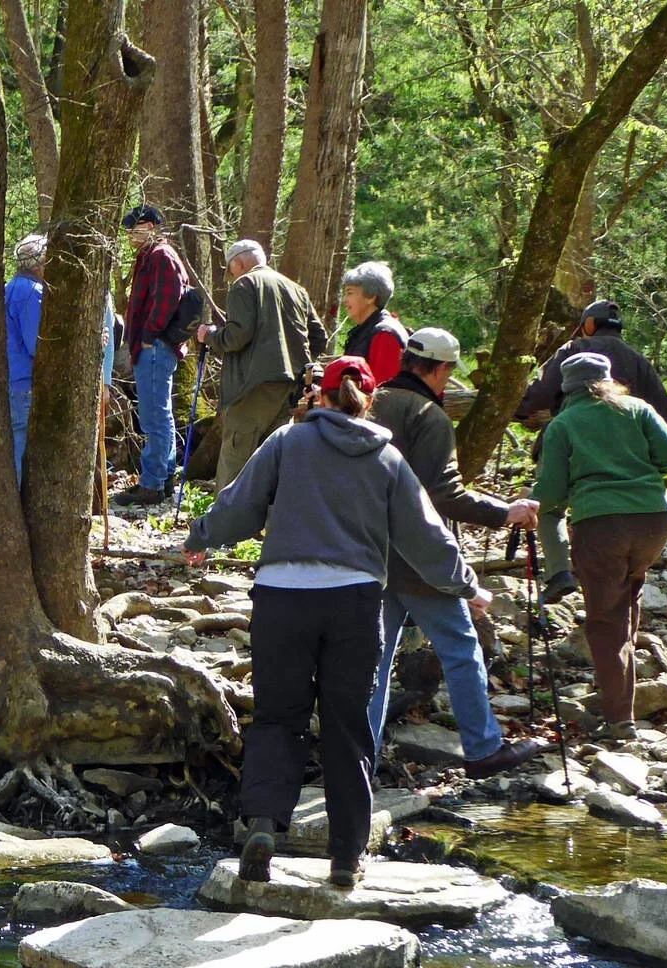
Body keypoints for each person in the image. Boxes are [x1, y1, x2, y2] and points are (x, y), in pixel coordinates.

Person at [184, 357, 487, 890]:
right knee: (348, 725)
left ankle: (262, 826)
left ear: (320, 396)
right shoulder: (387, 457)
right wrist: (467, 585)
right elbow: (426, 535)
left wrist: (199, 537)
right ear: (369, 401)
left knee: (279, 716)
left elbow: (240, 506)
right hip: (354, 602)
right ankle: (346, 857)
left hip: (281, 598)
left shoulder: (286, 441)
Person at [369, 328, 545, 776]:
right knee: (461, 649)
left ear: (408, 359)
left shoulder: (370, 403)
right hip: (419, 560)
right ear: (442, 369)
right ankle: (484, 749)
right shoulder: (429, 415)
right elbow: (444, 496)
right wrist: (505, 511)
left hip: (368, 553)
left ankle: (360, 758)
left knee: (375, 659)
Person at [529, 350, 667, 743]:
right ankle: (620, 696)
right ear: (608, 379)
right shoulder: (638, 409)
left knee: (604, 620)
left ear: (568, 388)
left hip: (601, 524)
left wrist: (532, 501)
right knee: (628, 591)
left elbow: (553, 494)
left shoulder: (563, 424)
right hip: (655, 520)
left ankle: (618, 719)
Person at [516, 299, 667, 602]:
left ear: (589, 324)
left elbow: (540, 392)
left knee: (549, 508)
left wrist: (520, 408)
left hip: (579, 462)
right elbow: (666, 414)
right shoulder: (638, 360)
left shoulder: (573, 351)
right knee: (626, 580)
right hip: (645, 499)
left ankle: (559, 571)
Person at [198, 238, 325, 489]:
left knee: (235, 461)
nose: (230, 276)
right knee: (271, 462)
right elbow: (318, 336)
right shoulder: (296, 289)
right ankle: (266, 525)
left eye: (230, 269)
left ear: (239, 263)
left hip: (252, 388)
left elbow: (237, 336)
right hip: (289, 387)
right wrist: (298, 361)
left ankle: (226, 526)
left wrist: (209, 336)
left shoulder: (244, 284)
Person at [113, 204, 195, 508]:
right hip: (152, 348)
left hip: (155, 349)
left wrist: (148, 336)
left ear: (147, 226)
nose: (129, 237)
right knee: (159, 416)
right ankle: (161, 479)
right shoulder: (151, 256)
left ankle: (152, 483)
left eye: (132, 230)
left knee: (154, 417)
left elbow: (167, 299)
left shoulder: (161, 256)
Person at [5, 234, 48, 475]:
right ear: (40, 264)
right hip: (23, 382)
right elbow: (36, 344)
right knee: (20, 449)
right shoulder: (31, 292)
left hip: (12, 379)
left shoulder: (10, 287)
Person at [340, 262, 408, 387]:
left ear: (370, 296)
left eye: (350, 293)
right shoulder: (366, 330)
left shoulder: (385, 334)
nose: (344, 300)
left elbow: (382, 390)